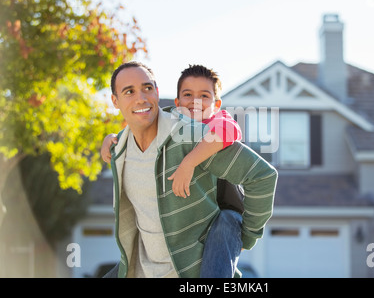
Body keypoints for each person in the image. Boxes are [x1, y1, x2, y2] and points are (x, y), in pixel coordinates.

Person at [103, 61, 277, 278]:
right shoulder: (119, 149)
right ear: (115, 101)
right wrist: (111, 140)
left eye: (147, 88)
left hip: (198, 263)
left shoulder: (196, 134)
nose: (141, 97)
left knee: (227, 221)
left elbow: (263, 176)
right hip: (141, 270)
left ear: (157, 92)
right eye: (129, 91)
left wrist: (248, 236)